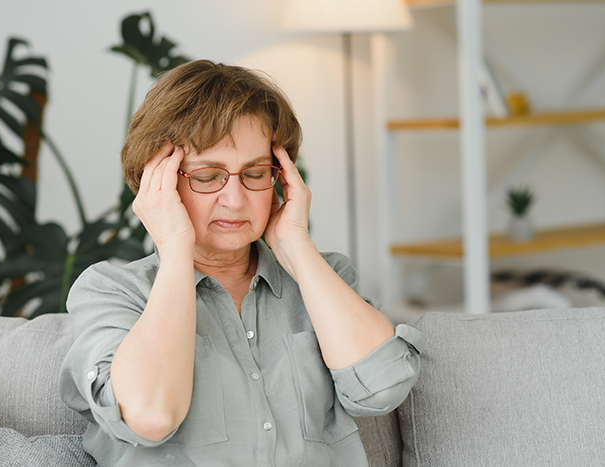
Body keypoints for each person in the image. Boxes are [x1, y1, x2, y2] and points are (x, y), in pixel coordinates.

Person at [59, 59, 427, 467]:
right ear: (157, 179)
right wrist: (177, 245)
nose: (235, 200)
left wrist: (296, 245)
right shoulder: (112, 290)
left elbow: (383, 389)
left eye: (255, 173)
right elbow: (150, 416)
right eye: (207, 175)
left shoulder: (324, 278)